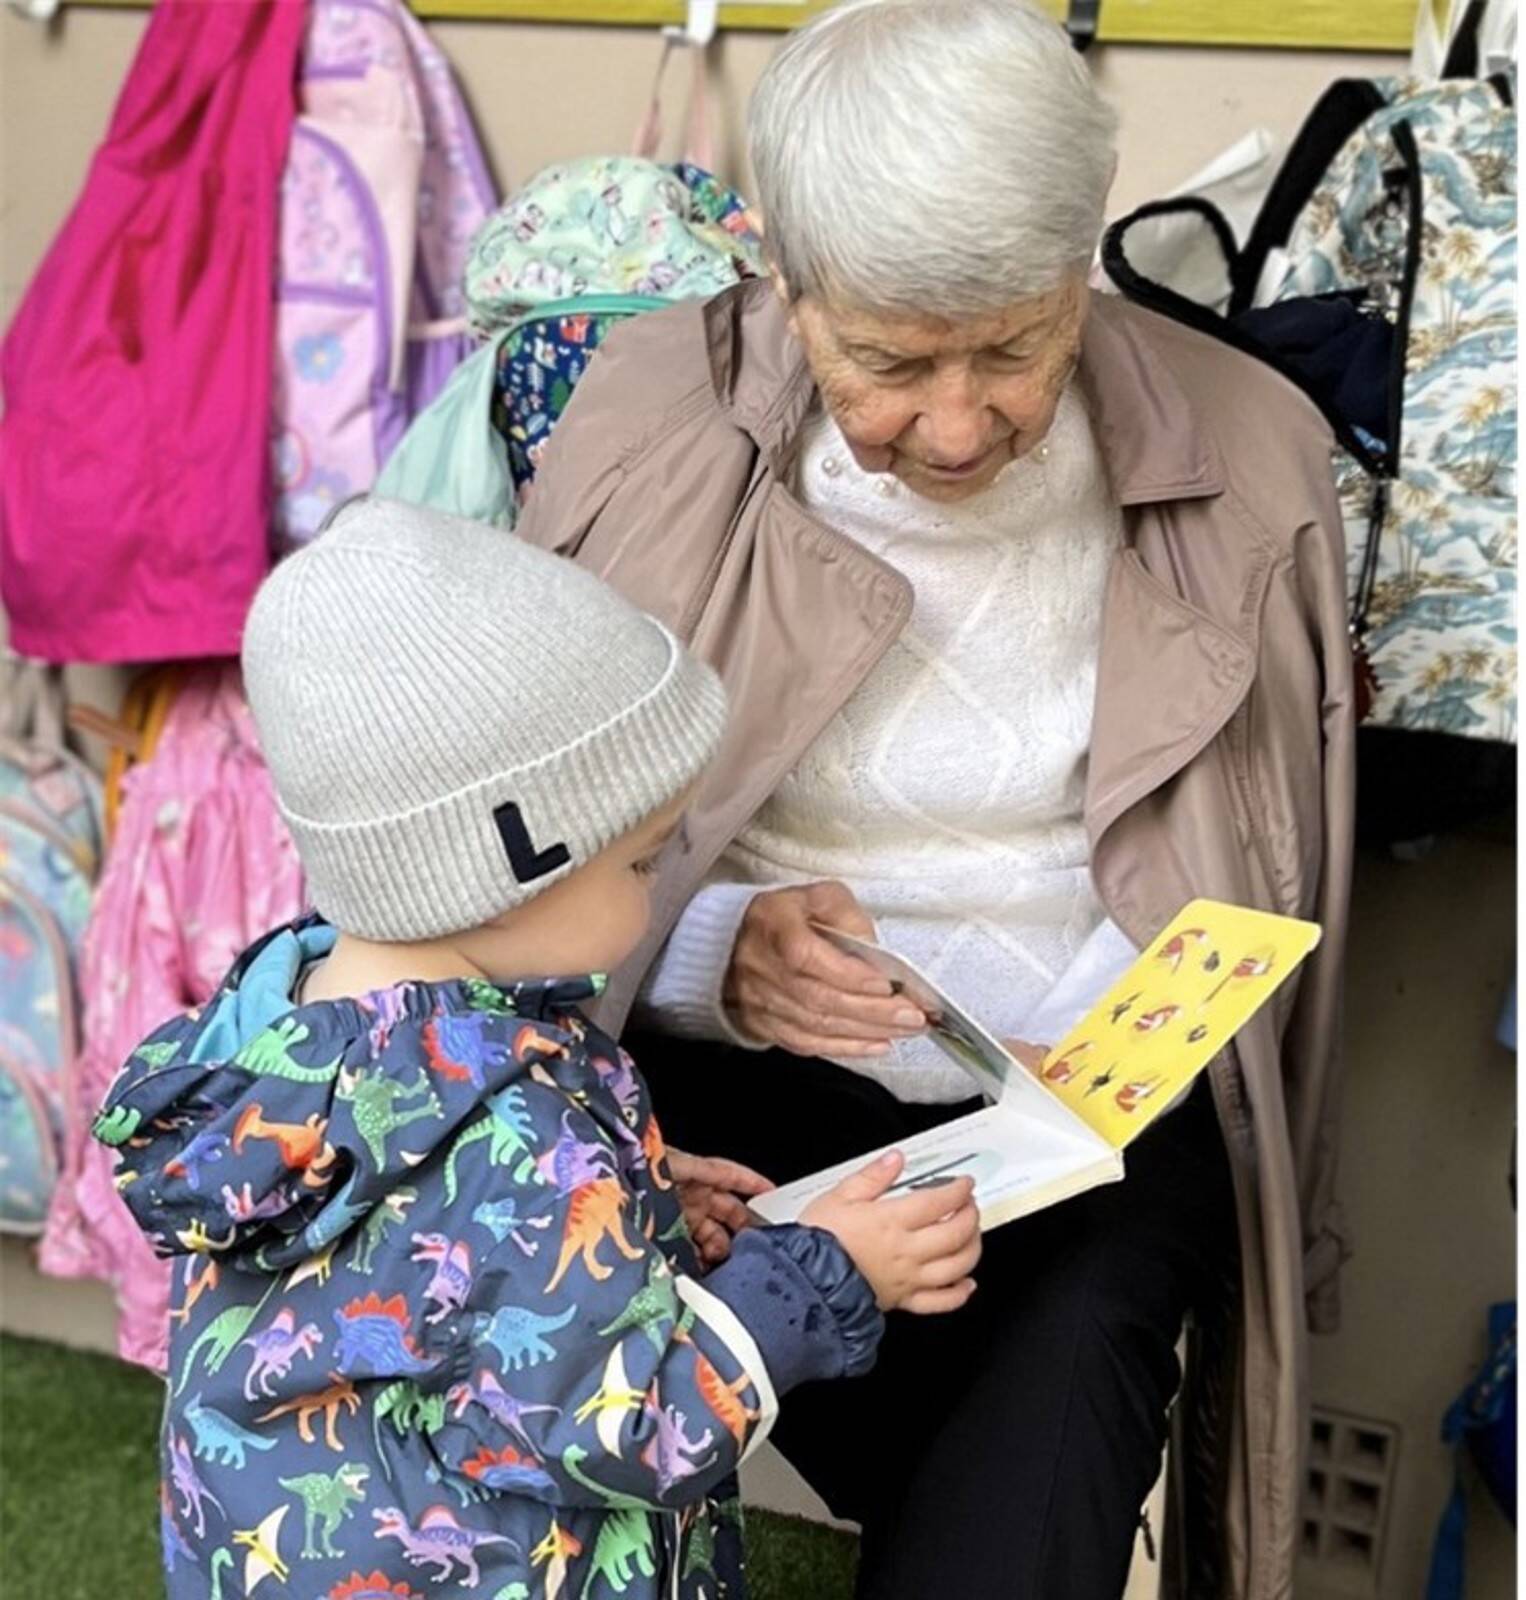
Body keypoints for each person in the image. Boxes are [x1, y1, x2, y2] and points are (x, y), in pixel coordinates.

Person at [512, 1, 1357, 1595]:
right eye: (889, 362)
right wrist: (710, 954)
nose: (959, 425)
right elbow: (504, 860)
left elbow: (1277, 867)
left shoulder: (1251, 457)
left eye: (1017, 348)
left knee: (1045, 1401)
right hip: (722, 1087)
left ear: (1081, 268)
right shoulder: (651, 430)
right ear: (784, 279)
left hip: (1082, 1112)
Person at [93, 498, 983, 1600]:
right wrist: (823, 1275)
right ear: (498, 866)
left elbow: (428, 1280)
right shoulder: (507, 1125)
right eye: (639, 865)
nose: (655, 893)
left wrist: (629, 1206)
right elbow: (631, 1426)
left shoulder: (282, 1029)